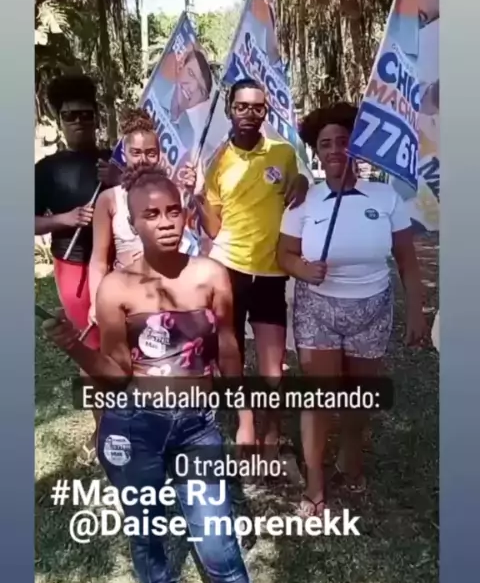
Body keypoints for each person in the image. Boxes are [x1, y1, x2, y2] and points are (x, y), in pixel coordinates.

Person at [43, 164, 254, 583]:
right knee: (147, 539)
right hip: (135, 427)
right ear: (132, 222)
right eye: (151, 214)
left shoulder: (211, 275)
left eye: (173, 211)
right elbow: (117, 372)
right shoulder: (116, 288)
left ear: (185, 214)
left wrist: (246, 419)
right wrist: (74, 346)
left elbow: (229, 350)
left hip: (198, 428)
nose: (165, 222)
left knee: (218, 546)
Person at [276, 102, 428, 517]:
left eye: (343, 141)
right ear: (317, 152)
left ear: (355, 146)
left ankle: (350, 456)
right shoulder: (304, 201)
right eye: (325, 144)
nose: (334, 150)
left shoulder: (386, 197)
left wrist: (417, 311)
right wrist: (302, 269)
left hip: (372, 310)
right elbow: (283, 254)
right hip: (318, 311)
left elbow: (407, 261)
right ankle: (315, 481)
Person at [185, 78, 309, 451]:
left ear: (265, 111)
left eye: (257, 107)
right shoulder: (218, 160)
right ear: (229, 110)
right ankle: (246, 421)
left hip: (271, 272)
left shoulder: (283, 153)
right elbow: (213, 228)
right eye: (242, 107)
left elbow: (298, 190)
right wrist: (196, 198)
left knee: (273, 363)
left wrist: (302, 182)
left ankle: (272, 426)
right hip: (228, 269)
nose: (250, 114)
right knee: (231, 351)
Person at [35, 74, 117, 457]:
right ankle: (102, 428)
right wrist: (64, 219)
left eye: (86, 114)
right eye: (71, 116)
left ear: (97, 117)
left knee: (124, 343)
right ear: (60, 121)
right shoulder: (47, 170)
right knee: (89, 346)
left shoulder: (113, 159)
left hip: (119, 264)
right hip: (74, 267)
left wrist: (119, 178)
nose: (79, 121)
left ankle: (131, 419)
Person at [88, 109, 160, 326]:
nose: (143, 160)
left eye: (151, 153)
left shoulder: (171, 195)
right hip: (124, 291)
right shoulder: (109, 199)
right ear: (125, 153)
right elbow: (98, 260)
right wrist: (96, 302)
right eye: (135, 152)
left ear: (159, 154)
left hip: (162, 291)